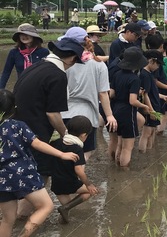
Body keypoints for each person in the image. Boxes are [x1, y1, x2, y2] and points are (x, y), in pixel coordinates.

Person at [0, 89, 79, 237]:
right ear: (13, 108)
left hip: (1, 179)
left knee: (8, 219)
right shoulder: (17, 126)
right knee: (46, 206)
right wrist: (61, 153)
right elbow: (37, 144)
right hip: (22, 173)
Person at [13, 36, 84, 179]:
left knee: (21, 179)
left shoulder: (35, 67)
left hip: (17, 131)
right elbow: (53, 114)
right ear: (72, 58)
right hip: (36, 136)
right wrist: (66, 134)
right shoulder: (57, 76)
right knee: (38, 180)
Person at [62, 32, 116, 162]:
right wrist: (109, 115)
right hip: (88, 115)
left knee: (66, 149)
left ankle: (69, 177)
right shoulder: (99, 65)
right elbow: (103, 93)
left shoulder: (64, 63)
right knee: (85, 151)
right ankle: (78, 177)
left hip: (64, 113)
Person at [50, 115, 98, 224]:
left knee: (66, 208)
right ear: (83, 135)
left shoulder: (57, 143)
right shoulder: (77, 149)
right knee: (89, 192)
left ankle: (64, 222)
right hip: (70, 182)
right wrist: (89, 184)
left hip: (56, 183)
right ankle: (66, 210)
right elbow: (79, 171)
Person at [110, 47, 149, 167]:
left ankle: (117, 166)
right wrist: (144, 106)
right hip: (127, 113)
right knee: (128, 148)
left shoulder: (116, 74)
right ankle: (124, 173)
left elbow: (111, 94)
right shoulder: (134, 79)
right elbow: (132, 101)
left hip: (116, 110)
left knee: (120, 142)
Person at [0, 23, 49, 89]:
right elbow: (6, 72)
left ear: (33, 36)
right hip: (21, 87)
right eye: (21, 34)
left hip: (39, 87)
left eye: (27, 34)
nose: (24, 36)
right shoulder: (14, 52)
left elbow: (48, 71)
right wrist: (1, 89)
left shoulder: (43, 52)